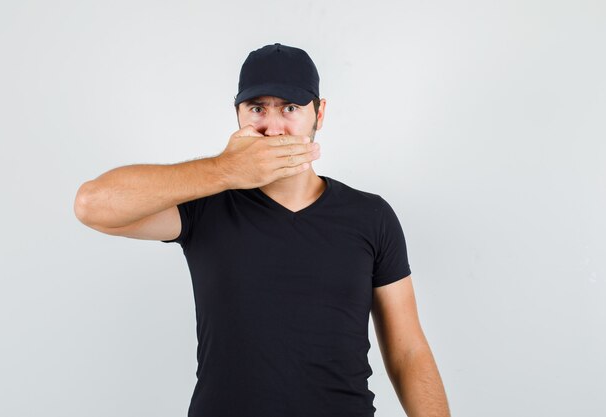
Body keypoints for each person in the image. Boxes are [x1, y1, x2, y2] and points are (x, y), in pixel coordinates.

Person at [74, 42, 451, 417]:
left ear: (319, 113)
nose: (273, 128)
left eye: (290, 108)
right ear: (237, 114)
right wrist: (224, 170)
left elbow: (408, 352)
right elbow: (93, 205)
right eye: (257, 109)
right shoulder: (205, 205)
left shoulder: (370, 216)